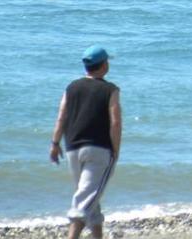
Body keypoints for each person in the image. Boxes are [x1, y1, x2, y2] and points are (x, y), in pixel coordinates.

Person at [50, 45, 122, 239]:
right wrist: (116, 150)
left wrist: (55, 144)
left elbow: (61, 117)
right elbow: (115, 123)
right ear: (104, 65)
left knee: (89, 196)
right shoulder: (110, 90)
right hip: (99, 150)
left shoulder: (71, 87)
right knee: (85, 202)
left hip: (73, 149)